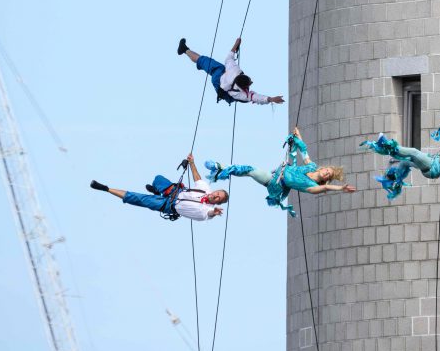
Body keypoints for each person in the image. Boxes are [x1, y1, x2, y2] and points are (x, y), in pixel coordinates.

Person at [205, 127, 356, 217]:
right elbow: (304, 151)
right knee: (249, 169)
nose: (326, 174)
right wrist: (298, 136)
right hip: (277, 174)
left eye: (328, 175)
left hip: (276, 184)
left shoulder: (312, 186)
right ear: (323, 168)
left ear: (326, 179)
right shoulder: (311, 166)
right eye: (327, 171)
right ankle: (221, 168)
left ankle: (221, 171)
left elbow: (325, 188)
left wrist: (340, 188)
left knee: (250, 172)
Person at [90, 153, 228, 221]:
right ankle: (158, 191)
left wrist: (214, 213)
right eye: (217, 193)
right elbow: (197, 178)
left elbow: (207, 214)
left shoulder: (207, 211)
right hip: (176, 191)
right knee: (158, 178)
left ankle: (106, 189)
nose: (215, 196)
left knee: (138, 199)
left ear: (217, 203)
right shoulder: (205, 189)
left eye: (218, 199)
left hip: (169, 205)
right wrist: (191, 163)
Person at [177, 35, 284, 106]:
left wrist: (236, 44)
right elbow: (256, 97)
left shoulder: (235, 71)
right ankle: (184, 49)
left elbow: (229, 57)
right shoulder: (242, 92)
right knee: (201, 60)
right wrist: (271, 99)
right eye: (250, 82)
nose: (252, 82)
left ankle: (186, 51)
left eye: (249, 81)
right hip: (220, 76)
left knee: (203, 60)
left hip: (219, 77)